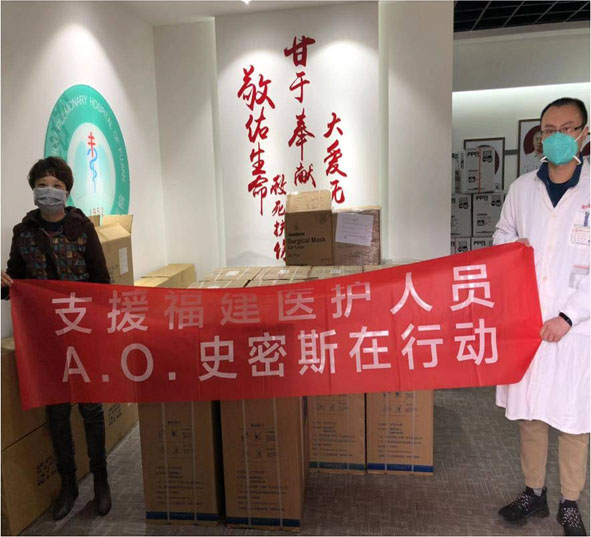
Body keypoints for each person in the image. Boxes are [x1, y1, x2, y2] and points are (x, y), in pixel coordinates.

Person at [494, 97, 589, 536]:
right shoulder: (521, 189)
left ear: (584, 135)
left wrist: (569, 316)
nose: (557, 137)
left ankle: (570, 501)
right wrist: (511, 250)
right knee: (530, 414)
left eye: (567, 128)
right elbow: (502, 235)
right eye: (549, 130)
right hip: (528, 321)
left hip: (577, 328)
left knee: (574, 419)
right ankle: (534, 492)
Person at [1, 157, 112, 520]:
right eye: (42, 185)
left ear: (67, 191)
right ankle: (68, 485)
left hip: (83, 334)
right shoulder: (24, 233)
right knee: (58, 413)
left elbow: (102, 282)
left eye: (56, 185)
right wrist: (4, 283)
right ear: (33, 189)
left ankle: (101, 481)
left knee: (91, 410)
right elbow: (16, 284)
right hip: (46, 339)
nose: (48, 191)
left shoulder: (81, 229)